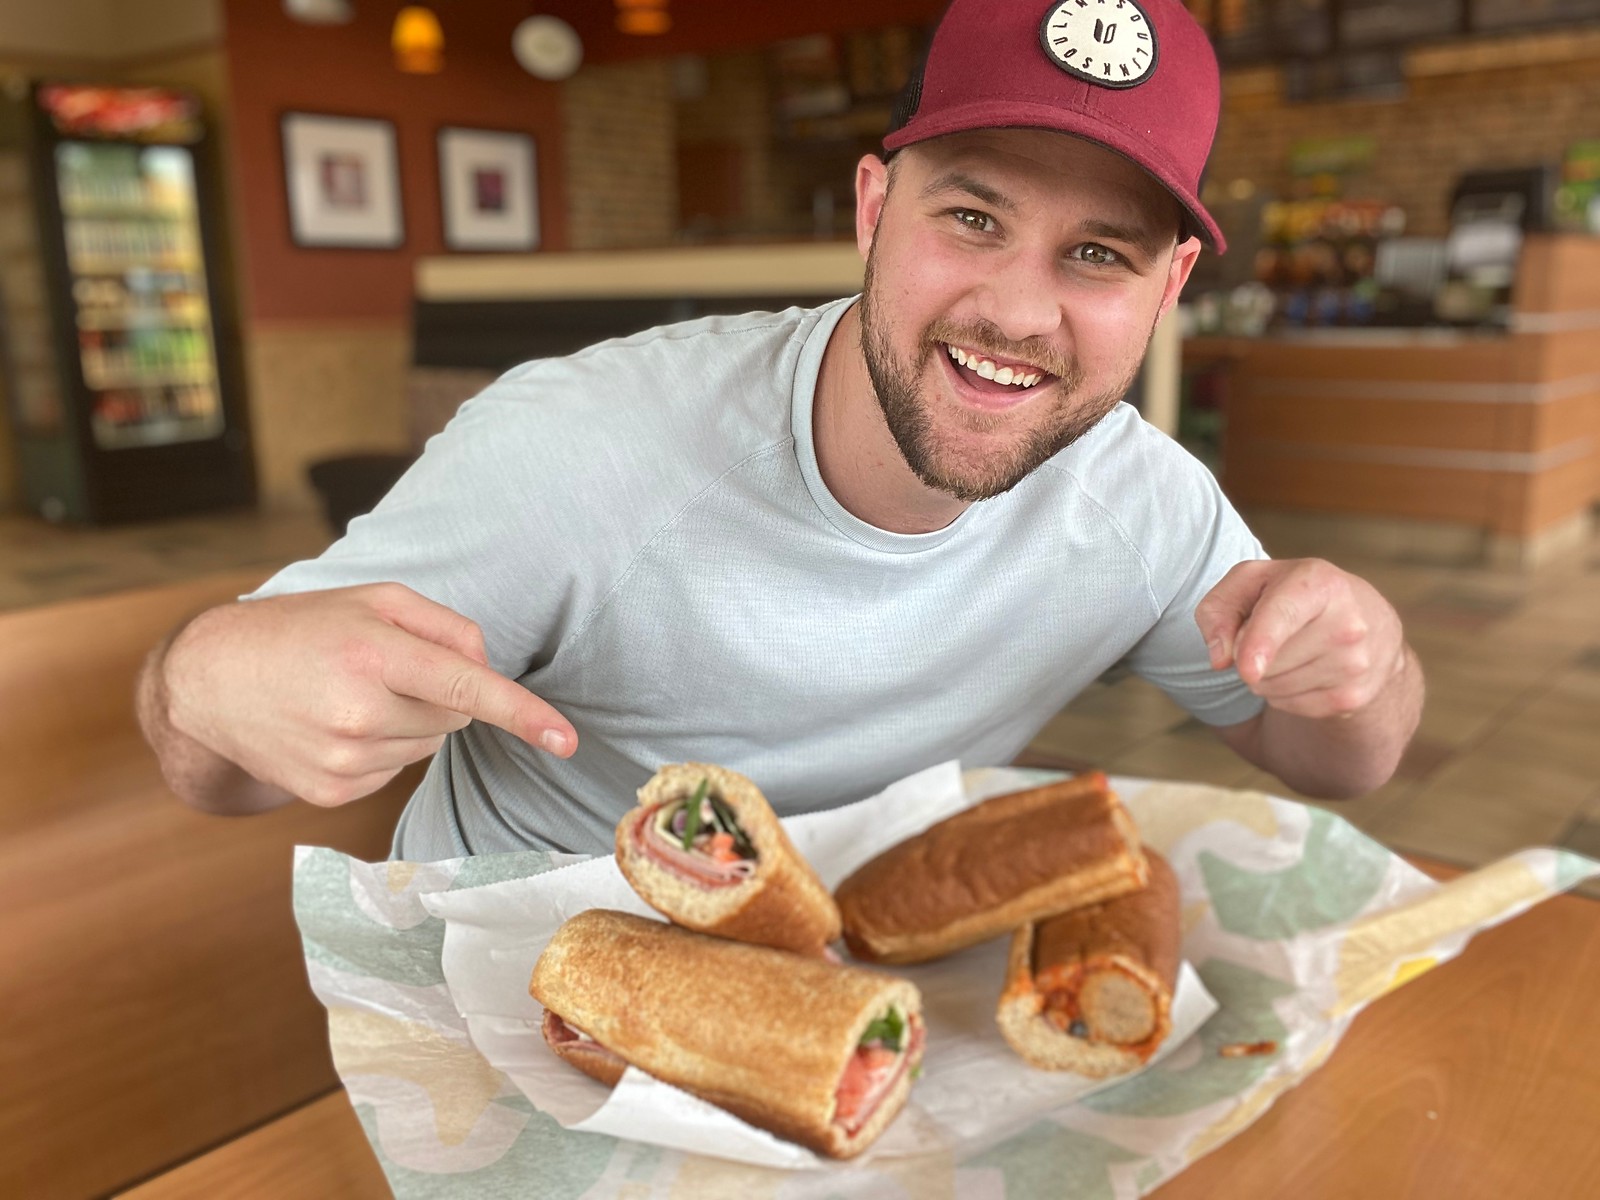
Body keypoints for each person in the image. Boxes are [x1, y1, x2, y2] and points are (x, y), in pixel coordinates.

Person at [137, 0, 1422, 860]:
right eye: (971, 219)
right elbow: (213, 770)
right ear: (871, 209)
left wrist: (1361, 663)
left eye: (1097, 254)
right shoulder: (580, 447)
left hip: (845, 1003)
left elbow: (1336, 764)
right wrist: (205, 678)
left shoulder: (1141, 505)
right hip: (516, 1018)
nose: (1018, 311)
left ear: (1169, 286)